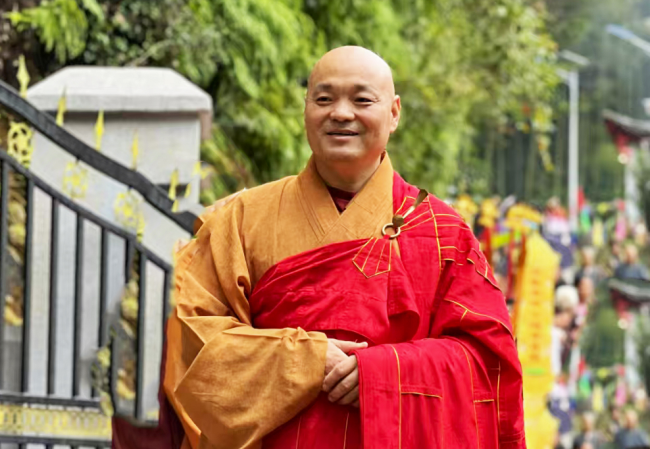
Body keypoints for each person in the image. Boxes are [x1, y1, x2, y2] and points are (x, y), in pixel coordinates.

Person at [161, 46, 525, 449]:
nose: (341, 113)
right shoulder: (243, 217)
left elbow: (486, 365)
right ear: (305, 112)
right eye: (324, 98)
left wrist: (387, 375)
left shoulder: (442, 233)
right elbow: (190, 334)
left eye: (362, 99)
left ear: (394, 112)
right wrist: (302, 361)